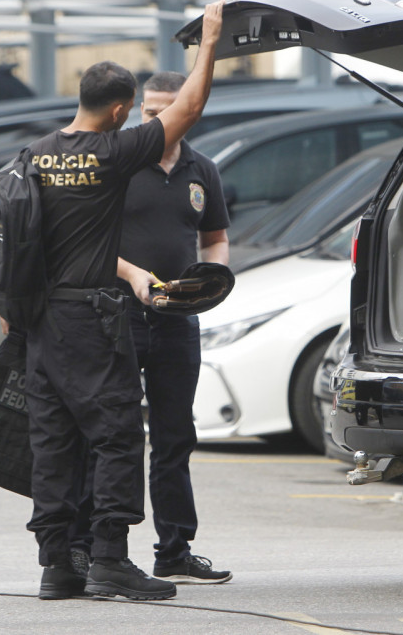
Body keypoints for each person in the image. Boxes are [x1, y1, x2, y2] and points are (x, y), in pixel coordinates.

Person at [26, 1, 224, 602]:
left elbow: (8, 238)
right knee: (117, 436)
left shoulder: (32, 157)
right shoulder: (114, 155)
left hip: (44, 324)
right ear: (121, 112)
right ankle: (109, 558)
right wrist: (210, 41)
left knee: (57, 441)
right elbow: (190, 107)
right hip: (99, 317)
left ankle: (59, 565)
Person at [68, 71, 233, 584]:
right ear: (136, 112)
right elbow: (82, 240)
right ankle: (97, 547)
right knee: (110, 434)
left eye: (171, 108)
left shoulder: (201, 169)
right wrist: (133, 277)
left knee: (175, 435)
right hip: (115, 318)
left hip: (176, 321)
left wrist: (213, 278)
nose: (160, 119)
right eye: (150, 111)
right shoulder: (115, 164)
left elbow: (215, 239)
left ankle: (175, 548)